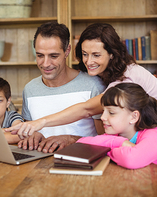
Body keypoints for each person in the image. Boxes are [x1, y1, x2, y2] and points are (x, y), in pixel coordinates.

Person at [6, 23, 157, 171]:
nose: (89, 61)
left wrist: (41, 123)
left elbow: (86, 108)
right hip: (155, 125)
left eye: (96, 55)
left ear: (112, 54)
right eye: (84, 54)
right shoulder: (102, 77)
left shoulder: (124, 79)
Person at [9, 21, 106, 153]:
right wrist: (33, 136)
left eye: (53, 56)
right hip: (38, 163)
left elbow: (105, 140)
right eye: (40, 56)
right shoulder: (30, 89)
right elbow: (29, 131)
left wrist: (72, 139)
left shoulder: (93, 85)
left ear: (67, 51)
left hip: (81, 161)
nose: (46, 63)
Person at [77, 83, 157, 176]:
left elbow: (131, 159)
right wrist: (120, 142)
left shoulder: (155, 135)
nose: (102, 117)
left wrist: (106, 151)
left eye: (111, 112)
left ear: (134, 117)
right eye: (103, 111)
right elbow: (81, 145)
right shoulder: (116, 136)